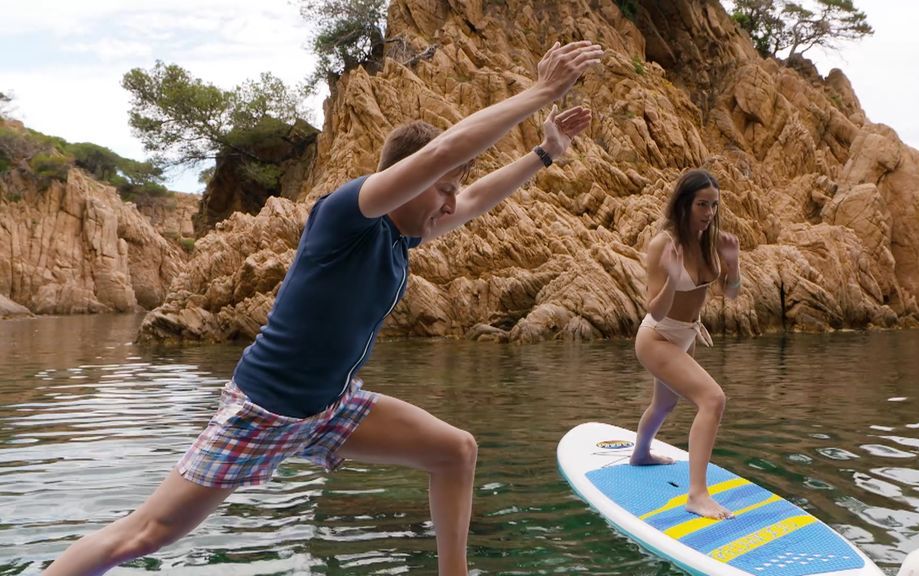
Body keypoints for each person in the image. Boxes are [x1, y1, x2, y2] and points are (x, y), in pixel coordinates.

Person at [43, 40, 603, 576]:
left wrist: (545, 153)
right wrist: (539, 92)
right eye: (443, 188)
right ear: (409, 180)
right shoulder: (346, 216)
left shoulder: (402, 237)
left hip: (331, 408)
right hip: (265, 410)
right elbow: (442, 152)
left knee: (455, 451)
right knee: (145, 534)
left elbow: (477, 196)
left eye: (454, 189)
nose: (454, 199)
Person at [629, 168, 741, 520]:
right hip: (657, 337)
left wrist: (733, 266)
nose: (708, 213)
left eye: (713, 205)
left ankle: (641, 454)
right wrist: (672, 281)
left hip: (687, 337)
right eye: (701, 205)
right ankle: (697, 494)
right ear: (684, 204)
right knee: (713, 399)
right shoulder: (663, 245)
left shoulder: (711, 242)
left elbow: (731, 294)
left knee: (662, 406)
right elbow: (656, 311)